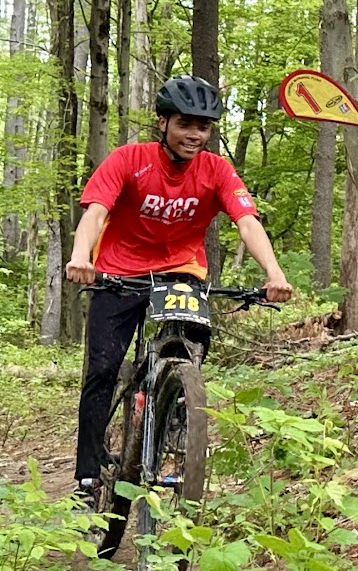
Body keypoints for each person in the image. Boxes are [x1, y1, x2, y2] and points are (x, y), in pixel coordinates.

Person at [66, 75, 294, 502]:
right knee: (102, 369)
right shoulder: (129, 159)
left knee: (192, 343)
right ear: (163, 122)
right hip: (118, 272)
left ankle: (175, 402)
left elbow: (247, 223)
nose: (194, 135)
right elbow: (95, 213)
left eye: (203, 127)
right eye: (185, 124)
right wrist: (82, 257)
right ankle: (87, 479)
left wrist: (274, 274)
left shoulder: (216, 170)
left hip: (181, 271)